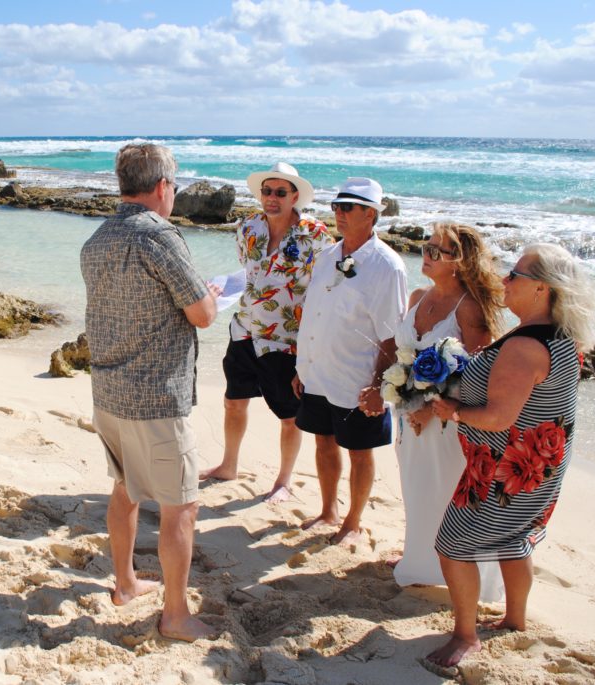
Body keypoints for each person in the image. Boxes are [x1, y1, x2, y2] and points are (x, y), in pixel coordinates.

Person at [427, 243, 595, 667]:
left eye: (515, 275)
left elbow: (498, 418)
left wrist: (453, 409)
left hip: (504, 474)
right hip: (540, 466)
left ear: (542, 288)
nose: (504, 280)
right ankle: (514, 619)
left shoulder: (524, 347)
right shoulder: (562, 338)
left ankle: (465, 636)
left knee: (452, 546)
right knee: (513, 542)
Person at [81, 143, 220, 642]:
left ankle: (124, 583)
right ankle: (176, 614)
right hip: (155, 397)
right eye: (174, 187)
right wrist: (210, 296)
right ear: (162, 187)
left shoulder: (96, 239)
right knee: (180, 507)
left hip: (109, 392)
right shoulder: (158, 237)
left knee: (125, 489)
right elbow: (201, 314)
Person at [200, 162, 332, 502]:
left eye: (280, 192)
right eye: (267, 191)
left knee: (289, 416)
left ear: (295, 196)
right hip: (245, 329)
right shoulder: (248, 227)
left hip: (286, 341)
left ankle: (283, 481)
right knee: (233, 403)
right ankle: (228, 465)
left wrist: (315, 345)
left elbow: (326, 287)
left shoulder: (315, 235)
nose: (271, 198)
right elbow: (248, 272)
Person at [391, 222, 505, 601]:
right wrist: (395, 390)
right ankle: (420, 561)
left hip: (447, 423)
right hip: (409, 416)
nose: (426, 255)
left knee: (444, 492)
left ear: (459, 261)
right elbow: (402, 354)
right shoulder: (418, 296)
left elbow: (478, 370)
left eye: (436, 251)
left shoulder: (469, 308)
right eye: (426, 247)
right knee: (415, 488)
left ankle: (456, 571)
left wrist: (430, 406)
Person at [293, 177, 407, 545]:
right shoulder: (328, 256)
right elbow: (313, 315)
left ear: (371, 214)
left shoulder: (387, 266)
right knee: (322, 442)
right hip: (318, 373)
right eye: (336, 206)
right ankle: (329, 510)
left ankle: (353, 522)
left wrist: (378, 385)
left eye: (348, 207)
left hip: (357, 378)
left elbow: (392, 335)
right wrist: (301, 367)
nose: (339, 213)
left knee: (360, 453)